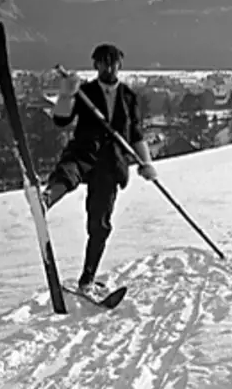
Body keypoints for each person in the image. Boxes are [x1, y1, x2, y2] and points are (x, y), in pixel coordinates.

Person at [41, 43, 158, 299]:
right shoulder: (85, 92)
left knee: (100, 224)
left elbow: (136, 134)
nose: (109, 67)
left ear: (120, 64)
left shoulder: (128, 97)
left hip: (111, 163)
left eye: (113, 62)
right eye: (103, 62)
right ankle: (46, 199)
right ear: (95, 65)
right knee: (68, 173)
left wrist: (145, 163)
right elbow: (61, 120)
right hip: (85, 151)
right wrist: (66, 95)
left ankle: (87, 279)